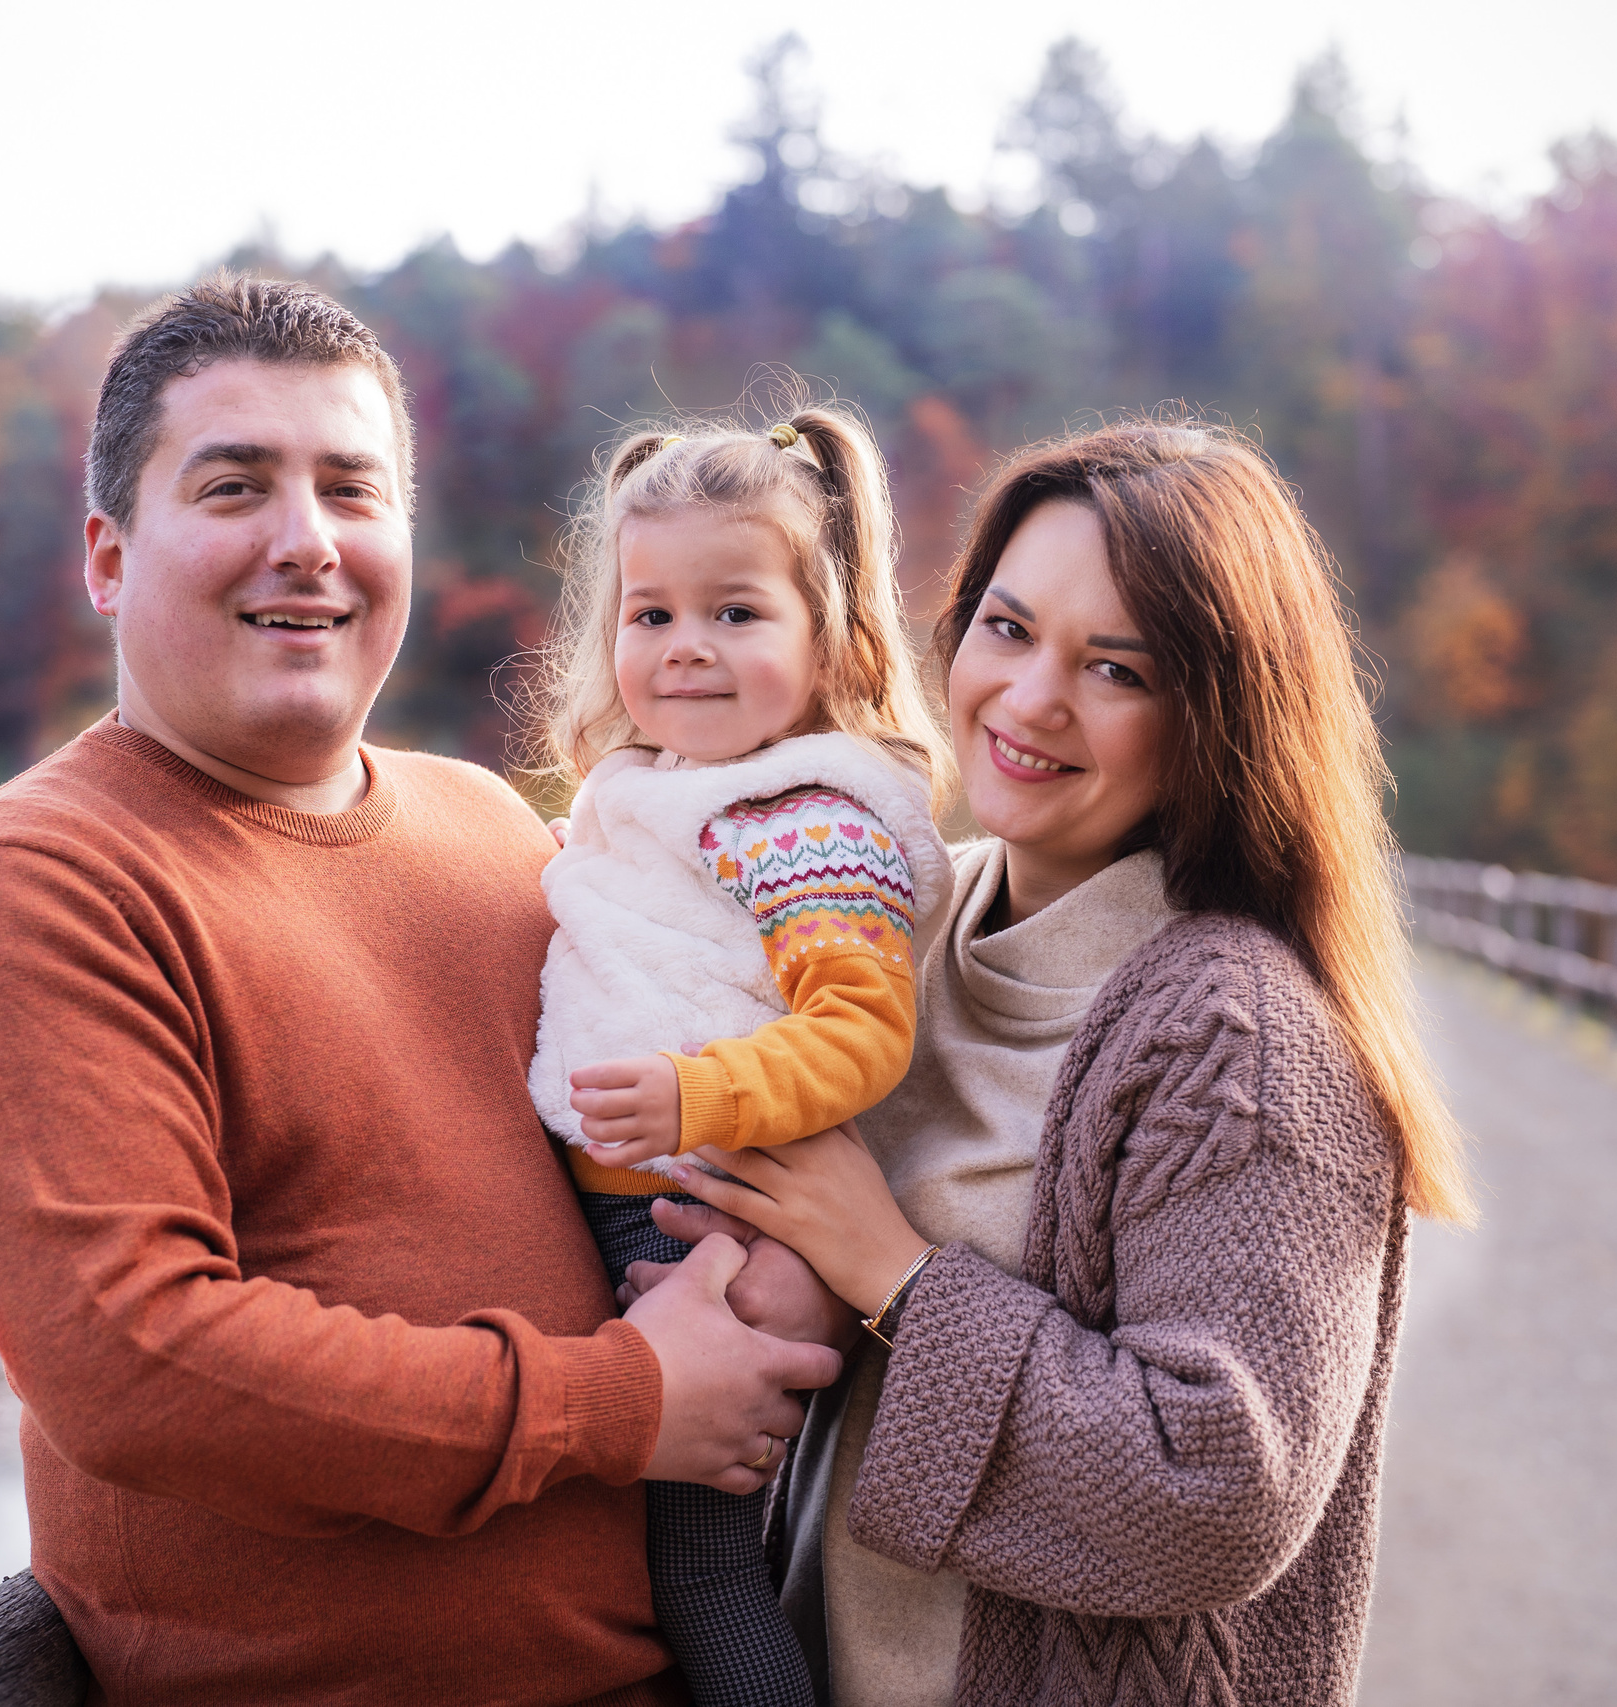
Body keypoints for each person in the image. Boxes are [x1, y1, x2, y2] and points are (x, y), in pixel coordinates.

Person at [0, 274, 840, 1707]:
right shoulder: (36, 881)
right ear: (106, 553)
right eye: (233, 485)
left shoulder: (506, 836)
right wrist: (621, 1403)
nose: (306, 541)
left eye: (351, 486)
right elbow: (145, 1364)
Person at [630, 420, 1474, 1706]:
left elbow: (1214, 1494)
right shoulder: (892, 919)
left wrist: (892, 1274)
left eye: (1117, 670)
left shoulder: (1239, 1043)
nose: (1030, 701)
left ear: (1220, 714)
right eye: (1009, 630)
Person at [524, 408, 955, 1707]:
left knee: (704, 1573)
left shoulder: (802, 822)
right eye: (650, 614)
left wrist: (692, 1093)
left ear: (824, 634)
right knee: (691, 1559)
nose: (687, 647)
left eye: (737, 611)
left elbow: (861, 1031)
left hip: (693, 1224)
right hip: (631, 1214)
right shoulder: (660, 790)